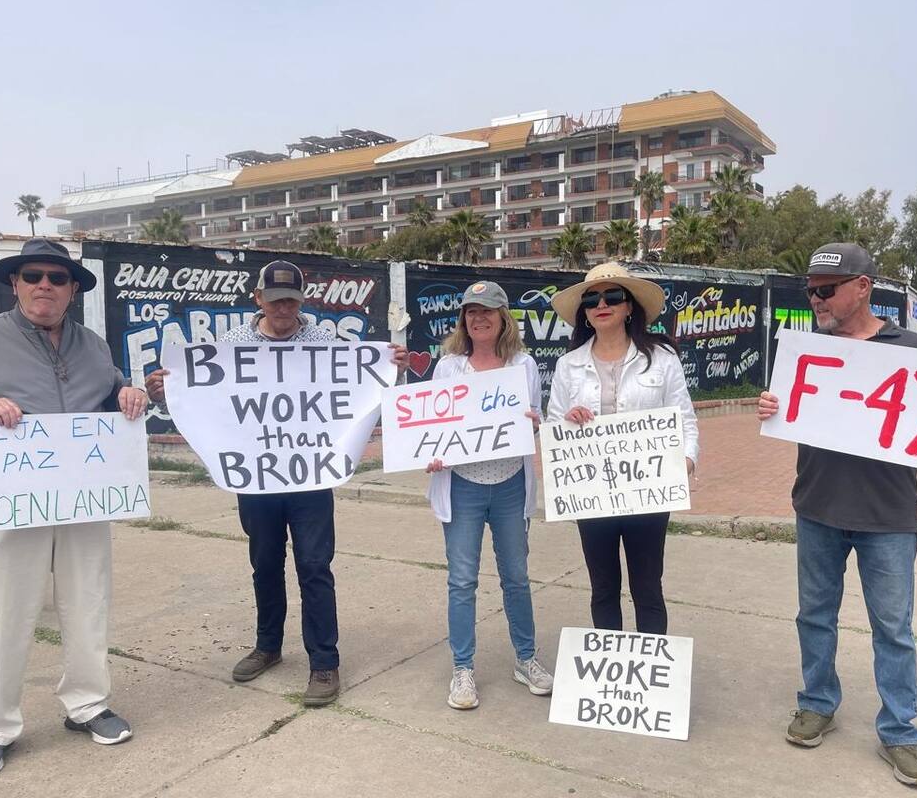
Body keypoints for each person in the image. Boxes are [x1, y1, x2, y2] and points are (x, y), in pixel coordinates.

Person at [0, 238, 149, 781]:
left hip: (81, 501)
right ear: (16, 283)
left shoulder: (93, 345)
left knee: (87, 602)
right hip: (7, 503)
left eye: (56, 277)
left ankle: (88, 703)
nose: (44, 284)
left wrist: (130, 395)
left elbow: (111, 395)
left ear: (72, 289)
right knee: (2, 613)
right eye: (33, 275)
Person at [756, 243, 917, 787]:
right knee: (814, 616)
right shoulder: (808, 352)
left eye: (826, 289)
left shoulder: (914, 348)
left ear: (863, 287)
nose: (816, 298)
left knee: (893, 629)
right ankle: (817, 703)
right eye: (810, 289)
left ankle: (900, 734)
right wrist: (772, 408)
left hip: (889, 516)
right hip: (818, 507)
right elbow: (794, 412)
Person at [145, 260, 406, 706]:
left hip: (310, 476)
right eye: (276, 298)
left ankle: (324, 662)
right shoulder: (231, 345)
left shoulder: (324, 342)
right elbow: (209, 404)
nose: (284, 307)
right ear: (258, 299)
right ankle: (268, 646)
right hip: (257, 477)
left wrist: (390, 369)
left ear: (300, 302)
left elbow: (359, 390)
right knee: (264, 565)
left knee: (315, 568)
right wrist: (165, 390)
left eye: (292, 299)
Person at [546, 262, 698, 635]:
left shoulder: (662, 359)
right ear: (584, 312)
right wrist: (569, 420)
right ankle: (610, 685)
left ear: (630, 306)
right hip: (592, 493)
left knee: (647, 588)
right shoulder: (569, 365)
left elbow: (685, 419)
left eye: (613, 296)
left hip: (648, 492)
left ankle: (649, 678)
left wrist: (687, 461)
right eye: (592, 299)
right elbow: (552, 425)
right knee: (603, 590)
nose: (602, 304)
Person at [422, 281, 553, 710]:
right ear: (463, 319)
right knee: (462, 580)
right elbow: (433, 428)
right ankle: (463, 669)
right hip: (462, 486)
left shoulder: (524, 365)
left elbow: (530, 424)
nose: (479, 318)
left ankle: (526, 659)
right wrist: (432, 453)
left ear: (503, 318)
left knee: (516, 577)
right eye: (471, 311)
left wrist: (534, 423)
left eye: (488, 311)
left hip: (511, 483)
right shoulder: (448, 368)